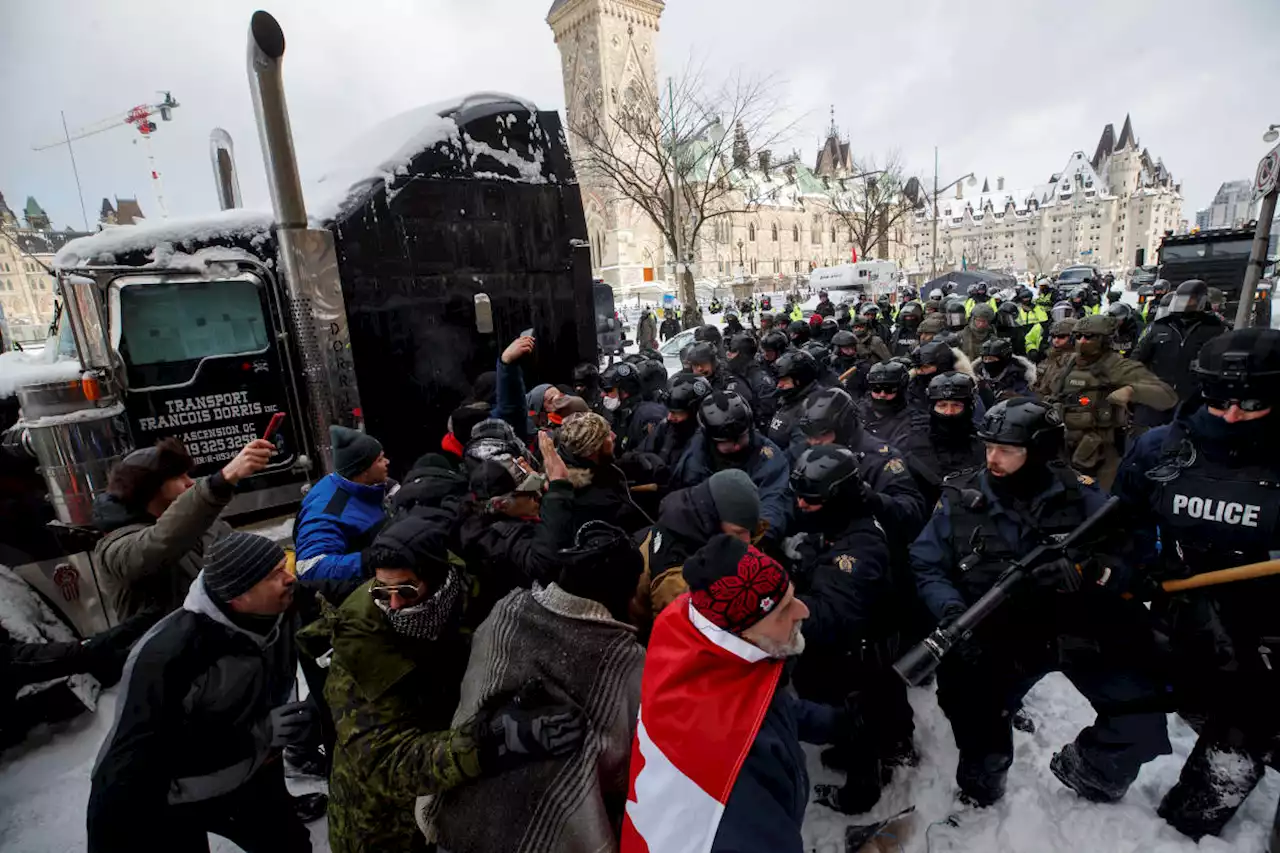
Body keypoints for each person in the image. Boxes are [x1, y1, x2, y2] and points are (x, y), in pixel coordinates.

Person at [909, 398, 1171, 808]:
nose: (993, 459)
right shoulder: (961, 499)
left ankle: (1093, 771)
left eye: (1007, 450)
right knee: (977, 727)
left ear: (1041, 450)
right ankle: (982, 793)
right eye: (988, 446)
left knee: (1142, 717)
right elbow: (926, 565)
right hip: (998, 631)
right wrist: (952, 610)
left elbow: (1135, 559)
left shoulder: (1081, 496)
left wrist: (1091, 569)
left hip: (1078, 626)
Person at [296, 514, 585, 853]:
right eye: (381, 590)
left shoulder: (459, 589)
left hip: (442, 797)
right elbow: (383, 762)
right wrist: (491, 742)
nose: (393, 604)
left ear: (437, 580)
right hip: (380, 826)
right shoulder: (360, 644)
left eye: (405, 590)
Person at [1113, 328, 1280, 841]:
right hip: (1182, 595)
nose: (1232, 415)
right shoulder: (1160, 449)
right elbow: (1125, 520)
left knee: (1245, 722)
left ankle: (1192, 818)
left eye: (1251, 403)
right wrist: (1149, 563)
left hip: (1267, 615)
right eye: (1219, 400)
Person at [88, 533, 320, 853]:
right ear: (238, 596)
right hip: (169, 795)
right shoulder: (169, 657)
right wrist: (261, 732)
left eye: (285, 566)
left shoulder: (283, 608)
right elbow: (144, 759)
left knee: (289, 846)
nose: (289, 578)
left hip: (252, 770)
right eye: (273, 575)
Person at [433, 522, 645, 853]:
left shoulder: (507, 611)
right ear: (623, 591)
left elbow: (472, 694)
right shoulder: (624, 660)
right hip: (551, 838)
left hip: (459, 812)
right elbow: (624, 764)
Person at [621, 535, 836, 853]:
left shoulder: (699, 635)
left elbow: (763, 709)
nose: (802, 611)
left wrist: (840, 722)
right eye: (782, 612)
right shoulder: (732, 776)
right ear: (743, 635)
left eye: (793, 596)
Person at [785, 446, 907, 815]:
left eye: (812, 500)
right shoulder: (833, 524)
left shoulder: (862, 546)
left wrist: (777, 603)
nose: (801, 507)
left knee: (860, 722)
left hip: (857, 657)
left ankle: (861, 794)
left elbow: (830, 615)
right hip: (850, 651)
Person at [94, 436, 276, 621]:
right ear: (149, 487)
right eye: (178, 477)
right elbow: (159, 543)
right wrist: (221, 481)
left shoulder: (208, 525)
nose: (190, 482)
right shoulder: (115, 547)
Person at [1047, 314, 1177, 488]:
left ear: (1105, 339)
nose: (1082, 341)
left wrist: (1132, 391)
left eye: (1089, 337)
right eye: (1078, 336)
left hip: (1102, 451)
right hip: (1064, 446)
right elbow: (1051, 394)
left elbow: (1168, 396)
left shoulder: (1119, 366)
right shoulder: (1068, 363)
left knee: (1101, 500)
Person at [796, 386, 928, 549]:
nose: (814, 441)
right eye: (810, 435)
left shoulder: (880, 459)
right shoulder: (811, 450)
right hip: (818, 543)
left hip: (868, 548)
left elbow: (912, 513)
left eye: (822, 434)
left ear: (842, 427)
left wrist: (871, 499)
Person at [630, 469, 762, 626]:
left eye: (749, 531)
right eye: (738, 532)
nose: (747, 540)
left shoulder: (684, 520)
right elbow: (680, 634)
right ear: (714, 519)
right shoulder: (676, 577)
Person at [672, 391, 792, 541]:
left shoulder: (767, 456)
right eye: (727, 442)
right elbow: (686, 500)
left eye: (740, 439)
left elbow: (775, 499)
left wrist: (760, 537)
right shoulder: (696, 456)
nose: (736, 447)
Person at [293, 425, 391, 583]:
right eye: (380, 460)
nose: (387, 462)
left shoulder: (359, 485)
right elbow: (310, 566)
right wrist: (372, 560)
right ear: (363, 470)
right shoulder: (332, 507)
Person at [1132, 278, 1226, 430]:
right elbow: (1137, 358)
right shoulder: (1159, 326)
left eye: (1190, 301)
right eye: (1181, 300)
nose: (1185, 304)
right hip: (1158, 395)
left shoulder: (1215, 329)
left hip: (1194, 397)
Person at [553, 412, 652, 534]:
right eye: (607, 435)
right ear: (593, 449)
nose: (614, 436)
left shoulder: (579, 462)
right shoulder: (599, 503)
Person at [906, 372, 986, 505]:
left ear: (969, 407)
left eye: (956, 405)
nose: (949, 412)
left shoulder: (984, 444)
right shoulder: (914, 444)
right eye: (942, 405)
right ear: (932, 407)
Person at [638, 372, 714, 471]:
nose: (669, 417)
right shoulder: (666, 427)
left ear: (694, 412)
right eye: (669, 411)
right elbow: (640, 451)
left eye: (675, 413)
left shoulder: (708, 444)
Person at [765, 349, 825, 459]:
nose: (779, 385)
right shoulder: (790, 398)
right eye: (779, 380)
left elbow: (796, 454)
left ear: (800, 380)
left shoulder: (812, 409)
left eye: (784, 380)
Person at [599, 362, 667, 455]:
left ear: (624, 392)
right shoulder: (620, 413)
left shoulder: (648, 416)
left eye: (608, 390)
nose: (602, 395)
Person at [857, 360, 925, 451]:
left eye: (889, 390)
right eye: (876, 389)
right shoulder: (859, 410)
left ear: (900, 390)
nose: (882, 394)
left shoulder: (916, 421)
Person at [726, 333, 778, 430]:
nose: (729, 355)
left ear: (742, 354)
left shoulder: (761, 381)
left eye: (733, 351)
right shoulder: (733, 373)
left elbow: (766, 416)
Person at [976, 337, 1035, 404]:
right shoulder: (977, 376)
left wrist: (1014, 398)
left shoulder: (1018, 376)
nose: (988, 362)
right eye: (985, 359)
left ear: (1004, 359)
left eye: (991, 359)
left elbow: (1029, 402)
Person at [1033, 317, 1077, 398]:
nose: (1056, 340)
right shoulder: (1050, 357)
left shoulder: (1076, 360)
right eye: (1054, 336)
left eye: (1061, 336)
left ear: (1073, 338)